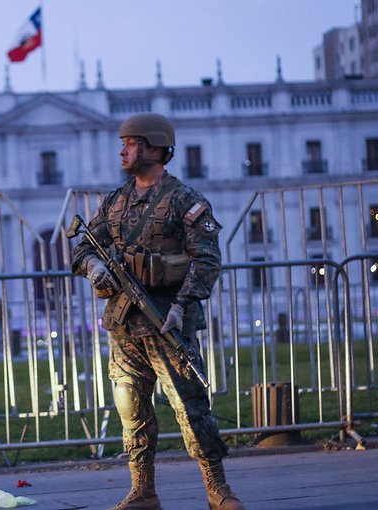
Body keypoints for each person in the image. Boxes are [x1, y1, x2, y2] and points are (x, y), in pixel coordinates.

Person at [71, 113, 243, 510]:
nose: (122, 150)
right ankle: (142, 491)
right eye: (123, 142)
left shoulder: (186, 201)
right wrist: (95, 267)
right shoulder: (114, 202)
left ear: (153, 148)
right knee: (131, 408)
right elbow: (82, 247)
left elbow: (207, 260)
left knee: (190, 405)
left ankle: (217, 490)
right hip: (124, 324)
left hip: (168, 322)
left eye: (130, 143)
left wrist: (182, 306)